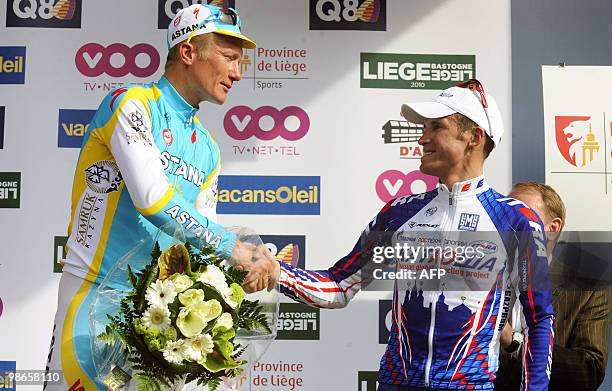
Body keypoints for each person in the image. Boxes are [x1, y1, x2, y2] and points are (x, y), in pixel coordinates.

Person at [246, 80, 555, 390]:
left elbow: (538, 321)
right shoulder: (399, 213)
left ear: (473, 138)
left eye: (436, 127)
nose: (423, 138)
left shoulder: (515, 220)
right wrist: (277, 271)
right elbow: (340, 286)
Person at [44, 4, 268, 390]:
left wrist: (243, 268)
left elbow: (203, 240)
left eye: (240, 62)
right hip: (93, 295)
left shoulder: (210, 149)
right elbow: (153, 199)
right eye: (229, 58)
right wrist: (233, 246)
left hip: (160, 314)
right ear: (188, 52)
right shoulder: (130, 104)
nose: (237, 72)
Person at [495, 182, 611, 391]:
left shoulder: (588, 290)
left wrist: (512, 341)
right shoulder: (479, 279)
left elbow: (589, 371)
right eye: (505, 217)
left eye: (522, 216)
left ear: (552, 228)